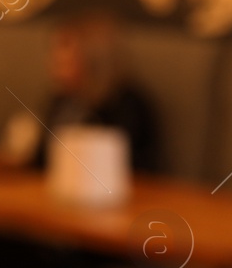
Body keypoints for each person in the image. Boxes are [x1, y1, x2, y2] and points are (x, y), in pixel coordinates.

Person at [30, 12, 161, 173]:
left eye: (64, 62)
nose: (52, 69)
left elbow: (132, 170)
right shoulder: (61, 102)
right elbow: (40, 162)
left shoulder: (128, 108)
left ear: (94, 61)